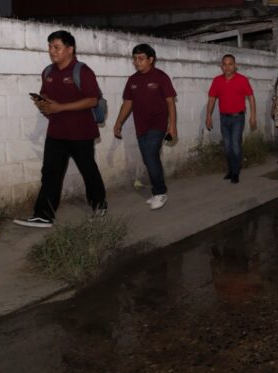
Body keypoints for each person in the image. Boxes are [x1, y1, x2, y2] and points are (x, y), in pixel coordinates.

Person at [14, 30, 107, 228]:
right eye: (50, 47)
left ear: (70, 49)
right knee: (50, 173)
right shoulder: (48, 72)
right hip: (56, 132)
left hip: (81, 133)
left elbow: (92, 99)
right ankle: (43, 215)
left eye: (56, 47)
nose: (52, 51)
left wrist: (61, 107)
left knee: (88, 170)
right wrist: (44, 103)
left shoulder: (82, 71)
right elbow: (47, 97)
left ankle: (99, 205)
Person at [113, 44, 177, 210]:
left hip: (158, 124)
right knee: (150, 159)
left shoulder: (161, 77)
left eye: (141, 58)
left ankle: (160, 192)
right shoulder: (132, 80)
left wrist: (173, 126)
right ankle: (157, 191)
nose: (136, 62)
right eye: (134, 58)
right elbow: (128, 103)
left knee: (150, 155)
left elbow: (170, 102)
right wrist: (118, 122)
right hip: (141, 126)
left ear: (151, 59)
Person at [206, 54, 257, 184]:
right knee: (227, 147)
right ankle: (231, 169)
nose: (227, 67)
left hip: (237, 118)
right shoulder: (217, 81)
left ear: (235, 65)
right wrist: (208, 116)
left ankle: (236, 172)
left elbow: (251, 97)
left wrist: (253, 115)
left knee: (235, 145)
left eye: (230, 64)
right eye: (225, 64)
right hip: (224, 118)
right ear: (221, 66)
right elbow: (212, 98)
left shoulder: (242, 80)